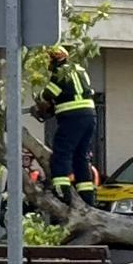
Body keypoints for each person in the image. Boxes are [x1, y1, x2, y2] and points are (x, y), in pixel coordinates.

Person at [38, 46, 97, 207]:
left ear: (53, 59)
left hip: (72, 117)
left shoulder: (60, 72)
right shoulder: (80, 70)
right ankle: (87, 196)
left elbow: (48, 94)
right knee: (81, 156)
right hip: (90, 115)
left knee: (62, 153)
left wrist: (40, 100)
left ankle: (61, 192)